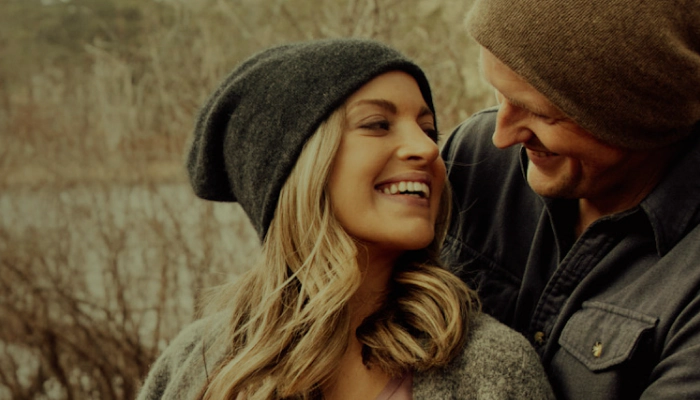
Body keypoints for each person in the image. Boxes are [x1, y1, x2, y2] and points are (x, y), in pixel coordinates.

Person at [439, 0, 700, 398]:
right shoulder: (476, 161)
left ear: (640, 114)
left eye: (543, 113)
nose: (502, 134)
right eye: (499, 93)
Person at [137, 39, 553, 400]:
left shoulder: (488, 367)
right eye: (378, 124)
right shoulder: (199, 360)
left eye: (428, 130)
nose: (426, 150)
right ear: (298, 168)